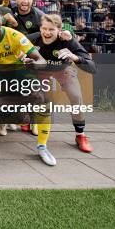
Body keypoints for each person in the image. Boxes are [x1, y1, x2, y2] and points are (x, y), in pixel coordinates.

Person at [0, 8, 55, 166]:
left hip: (17, 71)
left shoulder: (15, 35)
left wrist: (34, 63)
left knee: (41, 98)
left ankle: (42, 146)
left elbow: (42, 61)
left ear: (2, 20)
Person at [29, 14, 96, 152]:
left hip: (63, 70)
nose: (46, 33)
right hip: (42, 72)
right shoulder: (33, 39)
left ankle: (80, 135)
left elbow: (92, 66)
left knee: (76, 96)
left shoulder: (67, 40)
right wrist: (23, 57)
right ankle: (30, 120)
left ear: (59, 30)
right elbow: (15, 50)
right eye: (44, 28)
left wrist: (75, 57)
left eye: (51, 30)